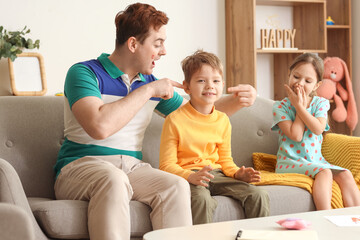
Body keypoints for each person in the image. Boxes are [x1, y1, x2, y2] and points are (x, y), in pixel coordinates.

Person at [53, 3, 257, 240]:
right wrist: (148, 90)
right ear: (133, 44)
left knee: (175, 186)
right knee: (113, 179)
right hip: (80, 167)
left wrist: (239, 101)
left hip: (132, 168)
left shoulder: (149, 83)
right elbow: (99, 126)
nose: (164, 51)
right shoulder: (84, 73)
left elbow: (196, 115)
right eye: (157, 43)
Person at [159, 50, 269, 225]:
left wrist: (238, 173)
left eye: (216, 81)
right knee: (202, 200)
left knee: (258, 195)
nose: (210, 86)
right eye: (201, 80)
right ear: (187, 87)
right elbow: (166, 165)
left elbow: (226, 160)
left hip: (216, 174)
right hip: (189, 176)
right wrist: (189, 176)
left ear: (222, 85)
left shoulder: (223, 120)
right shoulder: (174, 119)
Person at [271, 53, 360, 210]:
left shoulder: (321, 103)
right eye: (296, 76)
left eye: (308, 81)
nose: (299, 83)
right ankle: (324, 216)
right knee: (325, 172)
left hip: (315, 160)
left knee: (345, 174)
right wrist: (300, 106)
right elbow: (296, 136)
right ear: (289, 75)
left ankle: (356, 220)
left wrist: (301, 106)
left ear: (316, 85)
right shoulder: (280, 106)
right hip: (289, 162)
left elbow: (318, 129)